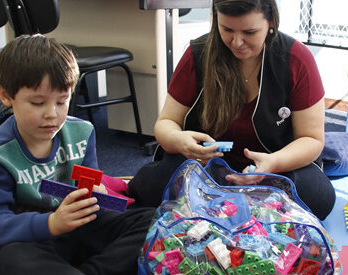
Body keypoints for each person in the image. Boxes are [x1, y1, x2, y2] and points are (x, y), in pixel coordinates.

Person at [0, 35, 189, 275]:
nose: (52, 115)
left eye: (62, 101)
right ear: (5, 95)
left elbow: (90, 194)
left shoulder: (82, 131)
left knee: (155, 221)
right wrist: (50, 225)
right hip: (37, 242)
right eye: (37, 103)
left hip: (80, 226)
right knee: (7, 262)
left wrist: (114, 204)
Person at [128, 0, 336, 220]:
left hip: (273, 167)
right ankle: (241, 205)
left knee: (318, 198)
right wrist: (180, 140)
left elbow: (311, 139)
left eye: (250, 32)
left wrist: (273, 163)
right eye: (226, 29)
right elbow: (166, 123)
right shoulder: (198, 53)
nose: (237, 42)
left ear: (271, 22)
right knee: (148, 188)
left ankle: (221, 205)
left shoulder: (295, 59)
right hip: (207, 167)